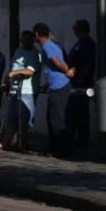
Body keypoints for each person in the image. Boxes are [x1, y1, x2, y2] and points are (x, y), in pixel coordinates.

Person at [34, 22, 74, 158]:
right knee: (53, 117)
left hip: (59, 87)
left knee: (56, 119)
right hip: (56, 85)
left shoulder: (46, 46)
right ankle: (56, 147)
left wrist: (67, 71)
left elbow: (56, 61)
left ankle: (60, 149)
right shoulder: (54, 45)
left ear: (37, 34)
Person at [0, 30, 41, 151]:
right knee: (12, 118)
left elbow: (30, 71)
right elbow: (12, 68)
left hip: (27, 90)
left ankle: (23, 144)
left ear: (31, 41)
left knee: (25, 120)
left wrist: (15, 73)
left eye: (26, 40)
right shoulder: (18, 51)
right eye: (22, 40)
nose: (24, 42)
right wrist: (6, 81)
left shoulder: (34, 54)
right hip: (14, 89)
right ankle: (4, 143)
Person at [66, 19, 96, 149]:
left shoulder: (88, 44)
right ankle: (76, 140)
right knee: (75, 113)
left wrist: (81, 78)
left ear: (80, 29)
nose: (73, 30)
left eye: (75, 27)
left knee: (81, 113)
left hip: (81, 84)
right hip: (74, 83)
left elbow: (86, 65)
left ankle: (82, 141)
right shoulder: (80, 43)